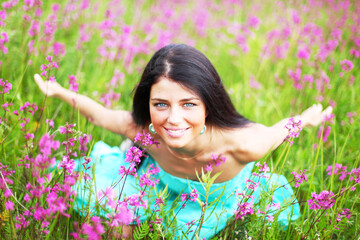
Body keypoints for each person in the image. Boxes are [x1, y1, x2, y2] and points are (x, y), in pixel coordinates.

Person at [34, 44, 332, 239]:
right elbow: (99, 115)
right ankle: (129, 158)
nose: (173, 119)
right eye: (161, 104)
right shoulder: (144, 131)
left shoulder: (244, 145)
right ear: (148, 104)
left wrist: (306, 119)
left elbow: (282, 128)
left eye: (189, 104)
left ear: (208, 106)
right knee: (115, 229)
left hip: (210, 201)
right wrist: (60, 92)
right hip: (153, 184)